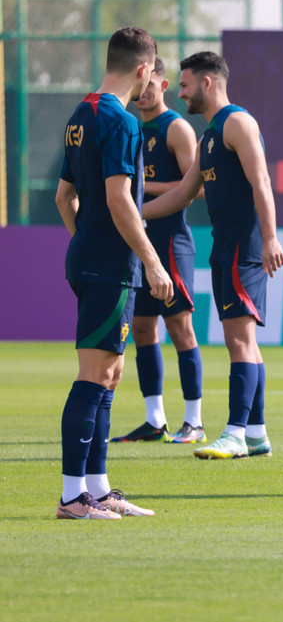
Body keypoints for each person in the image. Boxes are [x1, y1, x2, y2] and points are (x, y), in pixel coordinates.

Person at [53, 26, 173, 519]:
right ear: (144, 69)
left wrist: (85, 240)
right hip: (110, 264)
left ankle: (98, 489)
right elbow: (120, 197)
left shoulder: (82, 113)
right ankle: (70, 496)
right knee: (95, 374)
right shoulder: (121, 120)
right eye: (152, 75)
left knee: (111, 373)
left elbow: (64, 197)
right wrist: (151, 259)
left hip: (93, 257)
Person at [143, 51, 283, 460]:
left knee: (239, 339)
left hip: (244, 247)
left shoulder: (237, 123)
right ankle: (256, 433)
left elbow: (261, 181)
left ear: (207, 83)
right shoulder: (208, 136)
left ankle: (236, 432)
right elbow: (180, 195)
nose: (182, 92)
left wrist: (271, 238)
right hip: (224, 248)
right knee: (242, 341)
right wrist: (130, 214)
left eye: (185, 85)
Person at [111, 57, 205, 445]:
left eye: (153, 84)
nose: (145, 91)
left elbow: (194, 188)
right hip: (141, 243)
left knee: (180, 327)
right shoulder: (128, 126)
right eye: (142, 84)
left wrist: (141, 191)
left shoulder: (176, 128)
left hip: (171, 242)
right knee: (144, 328)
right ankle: (155, 420)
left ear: (163, 85)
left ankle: (194, 421)